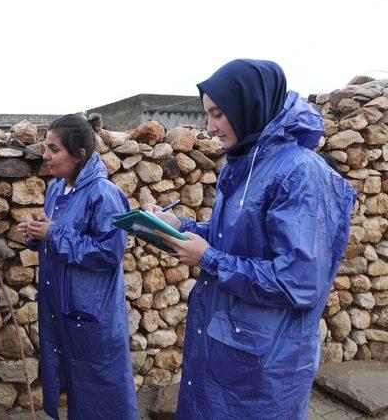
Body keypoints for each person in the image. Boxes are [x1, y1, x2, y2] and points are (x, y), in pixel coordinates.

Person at [146, 59, 357, 419]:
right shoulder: (245, 162)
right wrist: (178, 227)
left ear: (249, 105)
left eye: (217, 113)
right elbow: (232, 238)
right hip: (226, 343)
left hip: (265, 364)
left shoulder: (300, 173)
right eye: (207, 114)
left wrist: (208, 259)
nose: (209, 127)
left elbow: (298, 282)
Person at [18, 113, 138, 419]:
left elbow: (109, 253)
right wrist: (37, 235)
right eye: (46, 148)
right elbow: (56, 236)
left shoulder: (104, 195)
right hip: (62, 308)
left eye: (54, 150)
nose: (46, 156)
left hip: (91, 312)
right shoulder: (57, 189)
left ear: (79, 155)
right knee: (72, 386)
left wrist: (54, 233)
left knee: (100, 392)